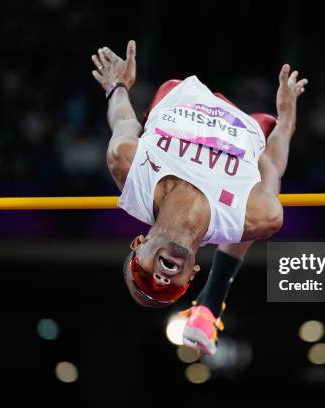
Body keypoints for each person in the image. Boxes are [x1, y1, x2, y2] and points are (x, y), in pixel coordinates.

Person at [91, 40, 307, 355]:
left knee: (163, 94)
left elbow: (124, 121)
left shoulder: (130, 169)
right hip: (249, 125)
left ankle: (210, 302)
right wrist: (286, 122)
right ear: (191, 273)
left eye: (144, 276)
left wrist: (118, 85)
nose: (160, 281)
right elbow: (272, 163)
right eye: (168, 291)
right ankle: (210, 303)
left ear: (138, 243)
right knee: (268, 147)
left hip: (179, 95)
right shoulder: (255, 214)